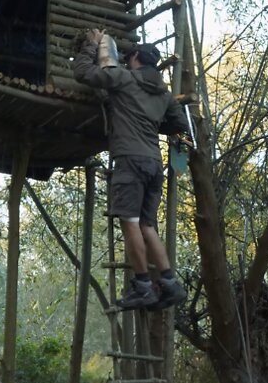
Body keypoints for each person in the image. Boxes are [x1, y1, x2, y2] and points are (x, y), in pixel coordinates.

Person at [74, 28, 189, 310]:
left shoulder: (124, 79)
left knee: (130, 223)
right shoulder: (164, 95)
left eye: (128, 58)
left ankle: (143, 286)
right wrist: (150, 122)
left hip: (130, 161)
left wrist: (92, 46)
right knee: (147, 225)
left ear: (135, 57)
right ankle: (170, 284)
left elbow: (84, 73)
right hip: (154, 163)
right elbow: (178, 125)